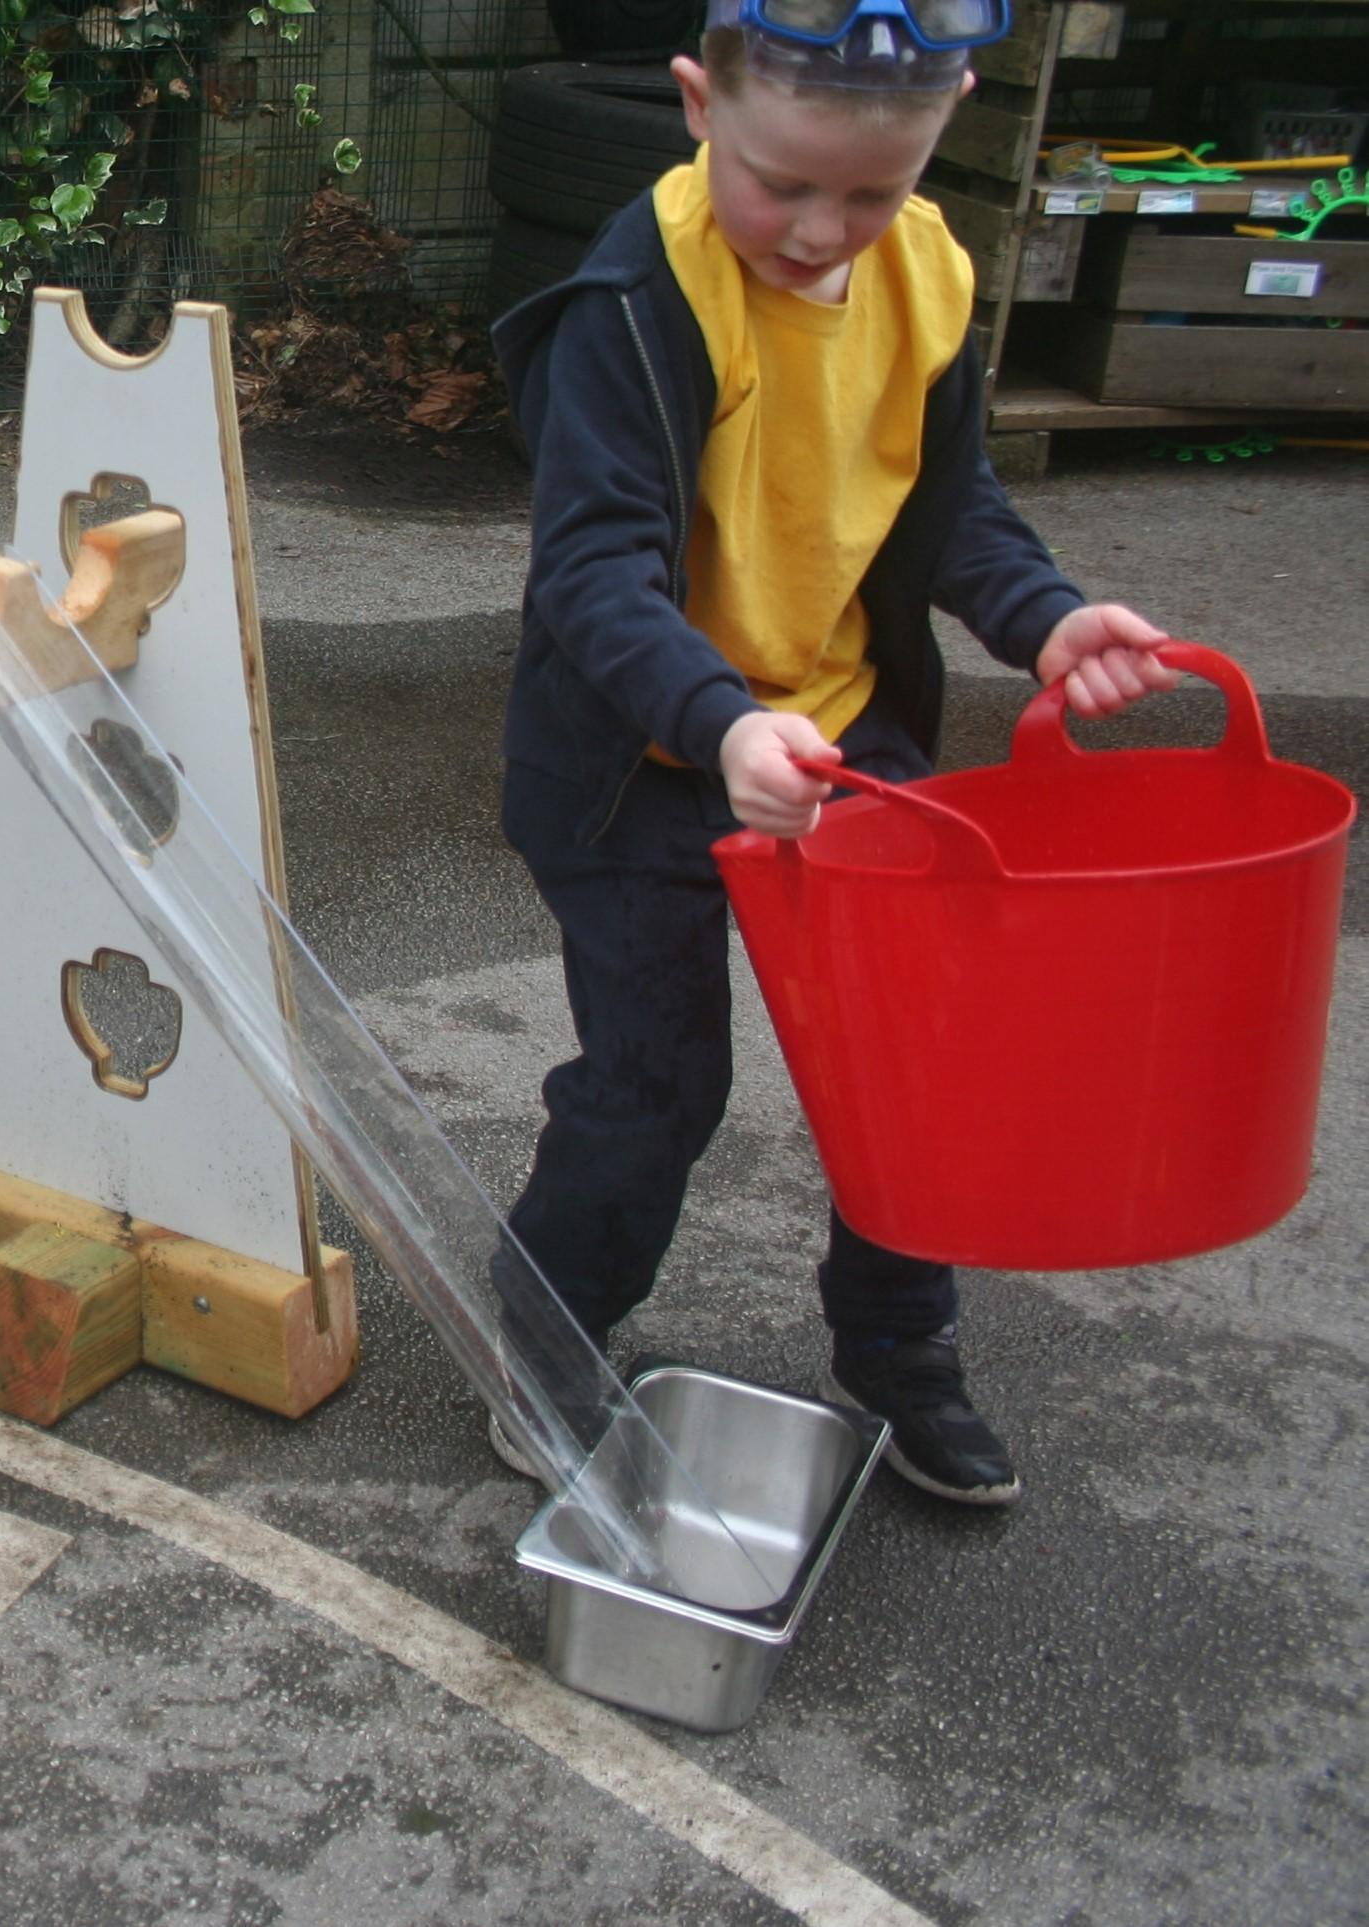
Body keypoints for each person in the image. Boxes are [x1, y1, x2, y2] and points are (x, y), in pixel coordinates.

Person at [486, 0, 1182, 1506]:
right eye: (780, 183)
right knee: (653, 1087)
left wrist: (1047, 621)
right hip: (642, 764)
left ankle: (891, 1342)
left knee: (916, 1063)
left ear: (946, 132)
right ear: (694, 104)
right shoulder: (633, 297)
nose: (820, 230)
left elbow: (953, 505)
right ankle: (545, 1335)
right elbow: (592, 574)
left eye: (871, 190)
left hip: (845, 739)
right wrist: (720, 717)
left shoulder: (924, 274)